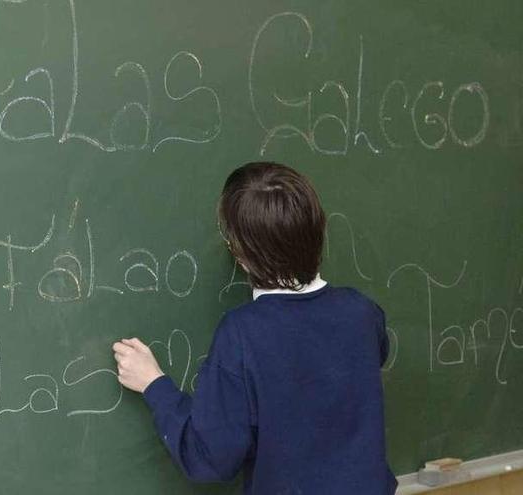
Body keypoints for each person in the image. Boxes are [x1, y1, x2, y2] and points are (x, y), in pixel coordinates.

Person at [112, 162, 396, 494]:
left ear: (240, 254)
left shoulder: (243, 335)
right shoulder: (362, 313)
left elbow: (211, 458)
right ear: (319, 231)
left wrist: (154, 385)